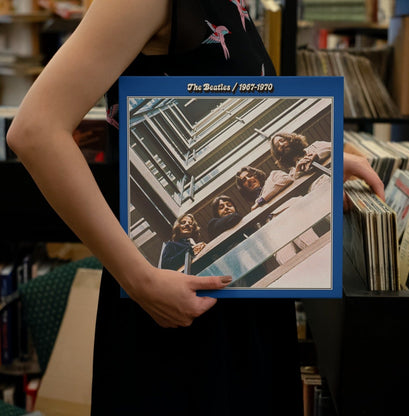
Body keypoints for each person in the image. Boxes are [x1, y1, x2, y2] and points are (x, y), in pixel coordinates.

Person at [5, 1, 384, 414]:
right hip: (182, 318)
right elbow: (35, 131)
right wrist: (141, 281)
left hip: (235, 305)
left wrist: (316, 164)